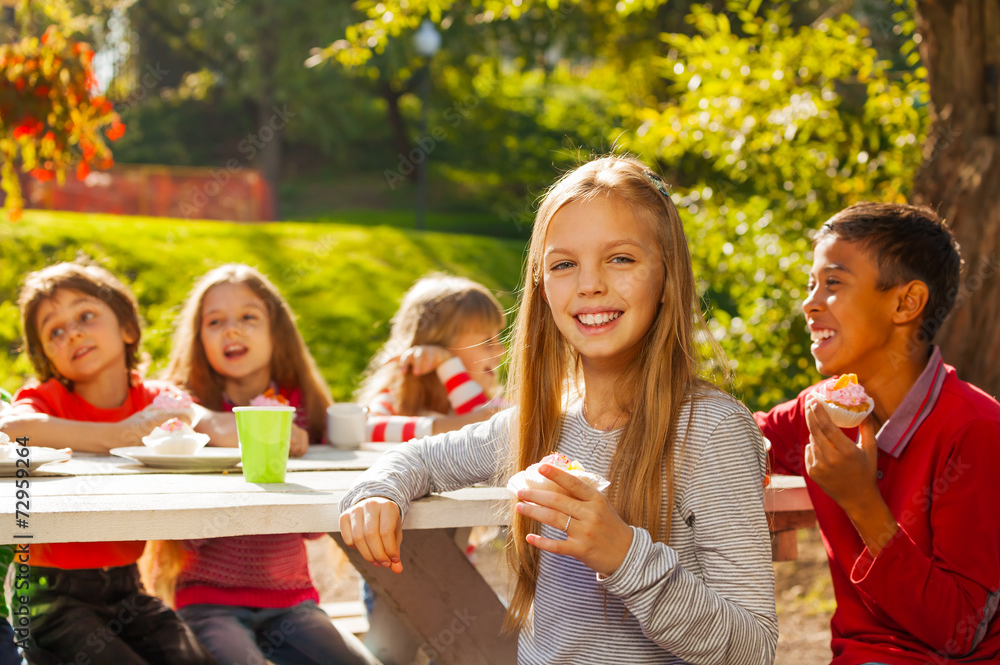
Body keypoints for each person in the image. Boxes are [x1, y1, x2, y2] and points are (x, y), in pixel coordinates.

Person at [339, 155, 778, 664]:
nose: (589, 284)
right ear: (543, 288)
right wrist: (378, 493)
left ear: (667, 278)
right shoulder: (543, 423)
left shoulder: (711, 430)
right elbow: (420, 458)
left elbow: (753, 648)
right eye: (564, 264)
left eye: (621, 258)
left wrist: (623, 555)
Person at [755, 203, 1000, 664]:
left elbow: (958, 632)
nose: (809, 302)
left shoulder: (976, 431)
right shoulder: (822, 409)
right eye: (811, 284)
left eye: (833, 283)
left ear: (905, 303)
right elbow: (736, 441)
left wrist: (862, 503)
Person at [158, 264, 378, 665]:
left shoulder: (301, 408)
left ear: (277, 331)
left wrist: (294, 464)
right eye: (215, 321)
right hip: (208, 600)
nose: (232, 330)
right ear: (198, 337)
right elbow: (179, 527)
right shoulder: (184, 412)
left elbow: (314, 527)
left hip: (289, 601)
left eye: (248, 317)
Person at [0, 261, 214, 665]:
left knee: (195, 660)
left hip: (126, 588)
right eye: (55, 331)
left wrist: (265, 427)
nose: (73, 332)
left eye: (85, 315)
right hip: (49, 594)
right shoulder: (47, 400)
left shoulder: (153, 398)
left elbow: (201, 418)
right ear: (46, 355)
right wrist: (118, 435)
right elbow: (10, 427)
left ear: (127, 329)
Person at [355, 273, 506, 443]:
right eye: (487, 340)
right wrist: (457, 425)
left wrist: (449, 368)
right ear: (438, 345)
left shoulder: (493, 405)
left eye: (498, 337)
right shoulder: (397, 396)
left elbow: (490, 424)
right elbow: (364, 428)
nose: (501, 351)